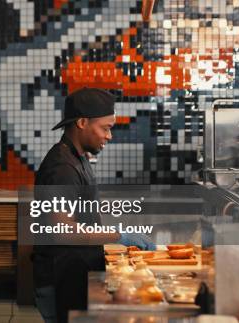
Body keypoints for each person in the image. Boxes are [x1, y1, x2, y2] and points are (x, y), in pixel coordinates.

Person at [32, 87, 155, 323]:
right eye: (106, 128)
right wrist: (118, 236)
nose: (109, 136)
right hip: (62, 280)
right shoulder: (62, 167)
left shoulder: (78, 157)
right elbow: (63, 230)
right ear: (81, 122)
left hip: (75, 275)